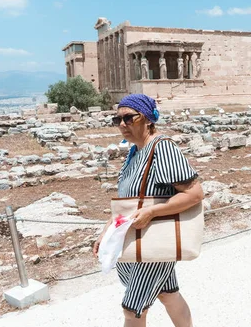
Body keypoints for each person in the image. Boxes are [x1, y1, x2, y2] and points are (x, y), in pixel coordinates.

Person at [93, 94, 203, 327]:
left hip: (154, 240)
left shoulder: (162, 148)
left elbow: (194, 194)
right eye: (117, 120)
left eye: (128, 118)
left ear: (147, 119)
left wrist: (152, 212)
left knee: (133, 308)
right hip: (135, 240)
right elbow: (127, 202)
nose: (122, 124)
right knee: (167, 294)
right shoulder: (133, 152)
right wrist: (106, 232)